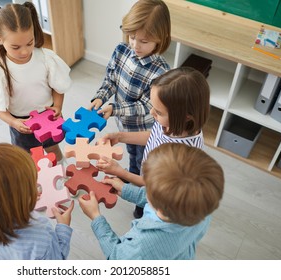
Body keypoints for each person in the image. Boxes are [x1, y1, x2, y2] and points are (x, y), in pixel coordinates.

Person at [89, 0, 171, 216]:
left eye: (143, 41)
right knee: (133, 161)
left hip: (145, 132)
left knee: (145, 168)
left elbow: (146, 105)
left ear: (160, 39)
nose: (135, 44)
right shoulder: (122, 50)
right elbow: (111, 79)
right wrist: (100, 97)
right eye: (132, 36)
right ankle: (131, 190)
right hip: (124, 127)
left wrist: (114, 108)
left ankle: (142, 206)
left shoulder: (161, 72)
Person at [79, 143, 224, 260]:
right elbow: (155, 197)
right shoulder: (201, 210)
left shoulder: (142, 245)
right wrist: (126, 189)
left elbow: (117, 258)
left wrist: (96, 217)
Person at [97, 67, 210, 218]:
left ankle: (140, 214)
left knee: (145, 213)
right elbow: (154, 135)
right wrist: (121, 136)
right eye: (153, 107)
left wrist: (121, 172)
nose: (151, 113)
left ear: (186, 116)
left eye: (159, 112)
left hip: (159, 197)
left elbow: (152, 184)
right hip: (149, 172)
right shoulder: (171, 123)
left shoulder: (180, 157)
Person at [0, 2, 71, 162]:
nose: (24, 51)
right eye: (15, 47)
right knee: (31, 159)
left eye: (29, 43)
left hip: (48, 116)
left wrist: (57, 106)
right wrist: (14, 122)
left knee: (53, 150)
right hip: (23, 125)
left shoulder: (45, 58)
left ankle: (62, 176)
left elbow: (58, 87)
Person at [0, 143, 74, 260]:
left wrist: (23, 199)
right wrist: (63, 227)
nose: (36, 189)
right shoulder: (39, 233)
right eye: (32, 185)